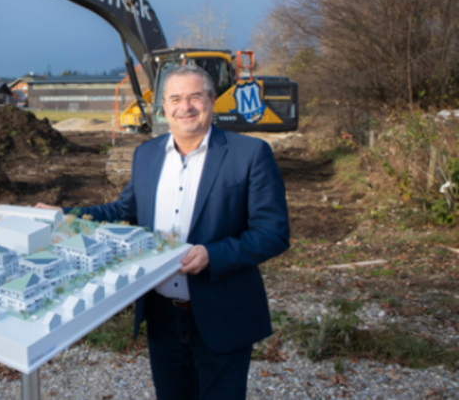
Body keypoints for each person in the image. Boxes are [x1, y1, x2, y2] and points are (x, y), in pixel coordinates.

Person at [38, 64, 290, 400]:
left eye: (195, 97)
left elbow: (273, 232)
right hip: (161, 316)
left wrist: (212, 254)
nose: (185, 107)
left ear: (212, 100)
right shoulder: (147, 154)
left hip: (222, 313)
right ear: (163, 106)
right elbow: (123, 211)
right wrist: (65, 215)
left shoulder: (249, 154)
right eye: (175, 98)